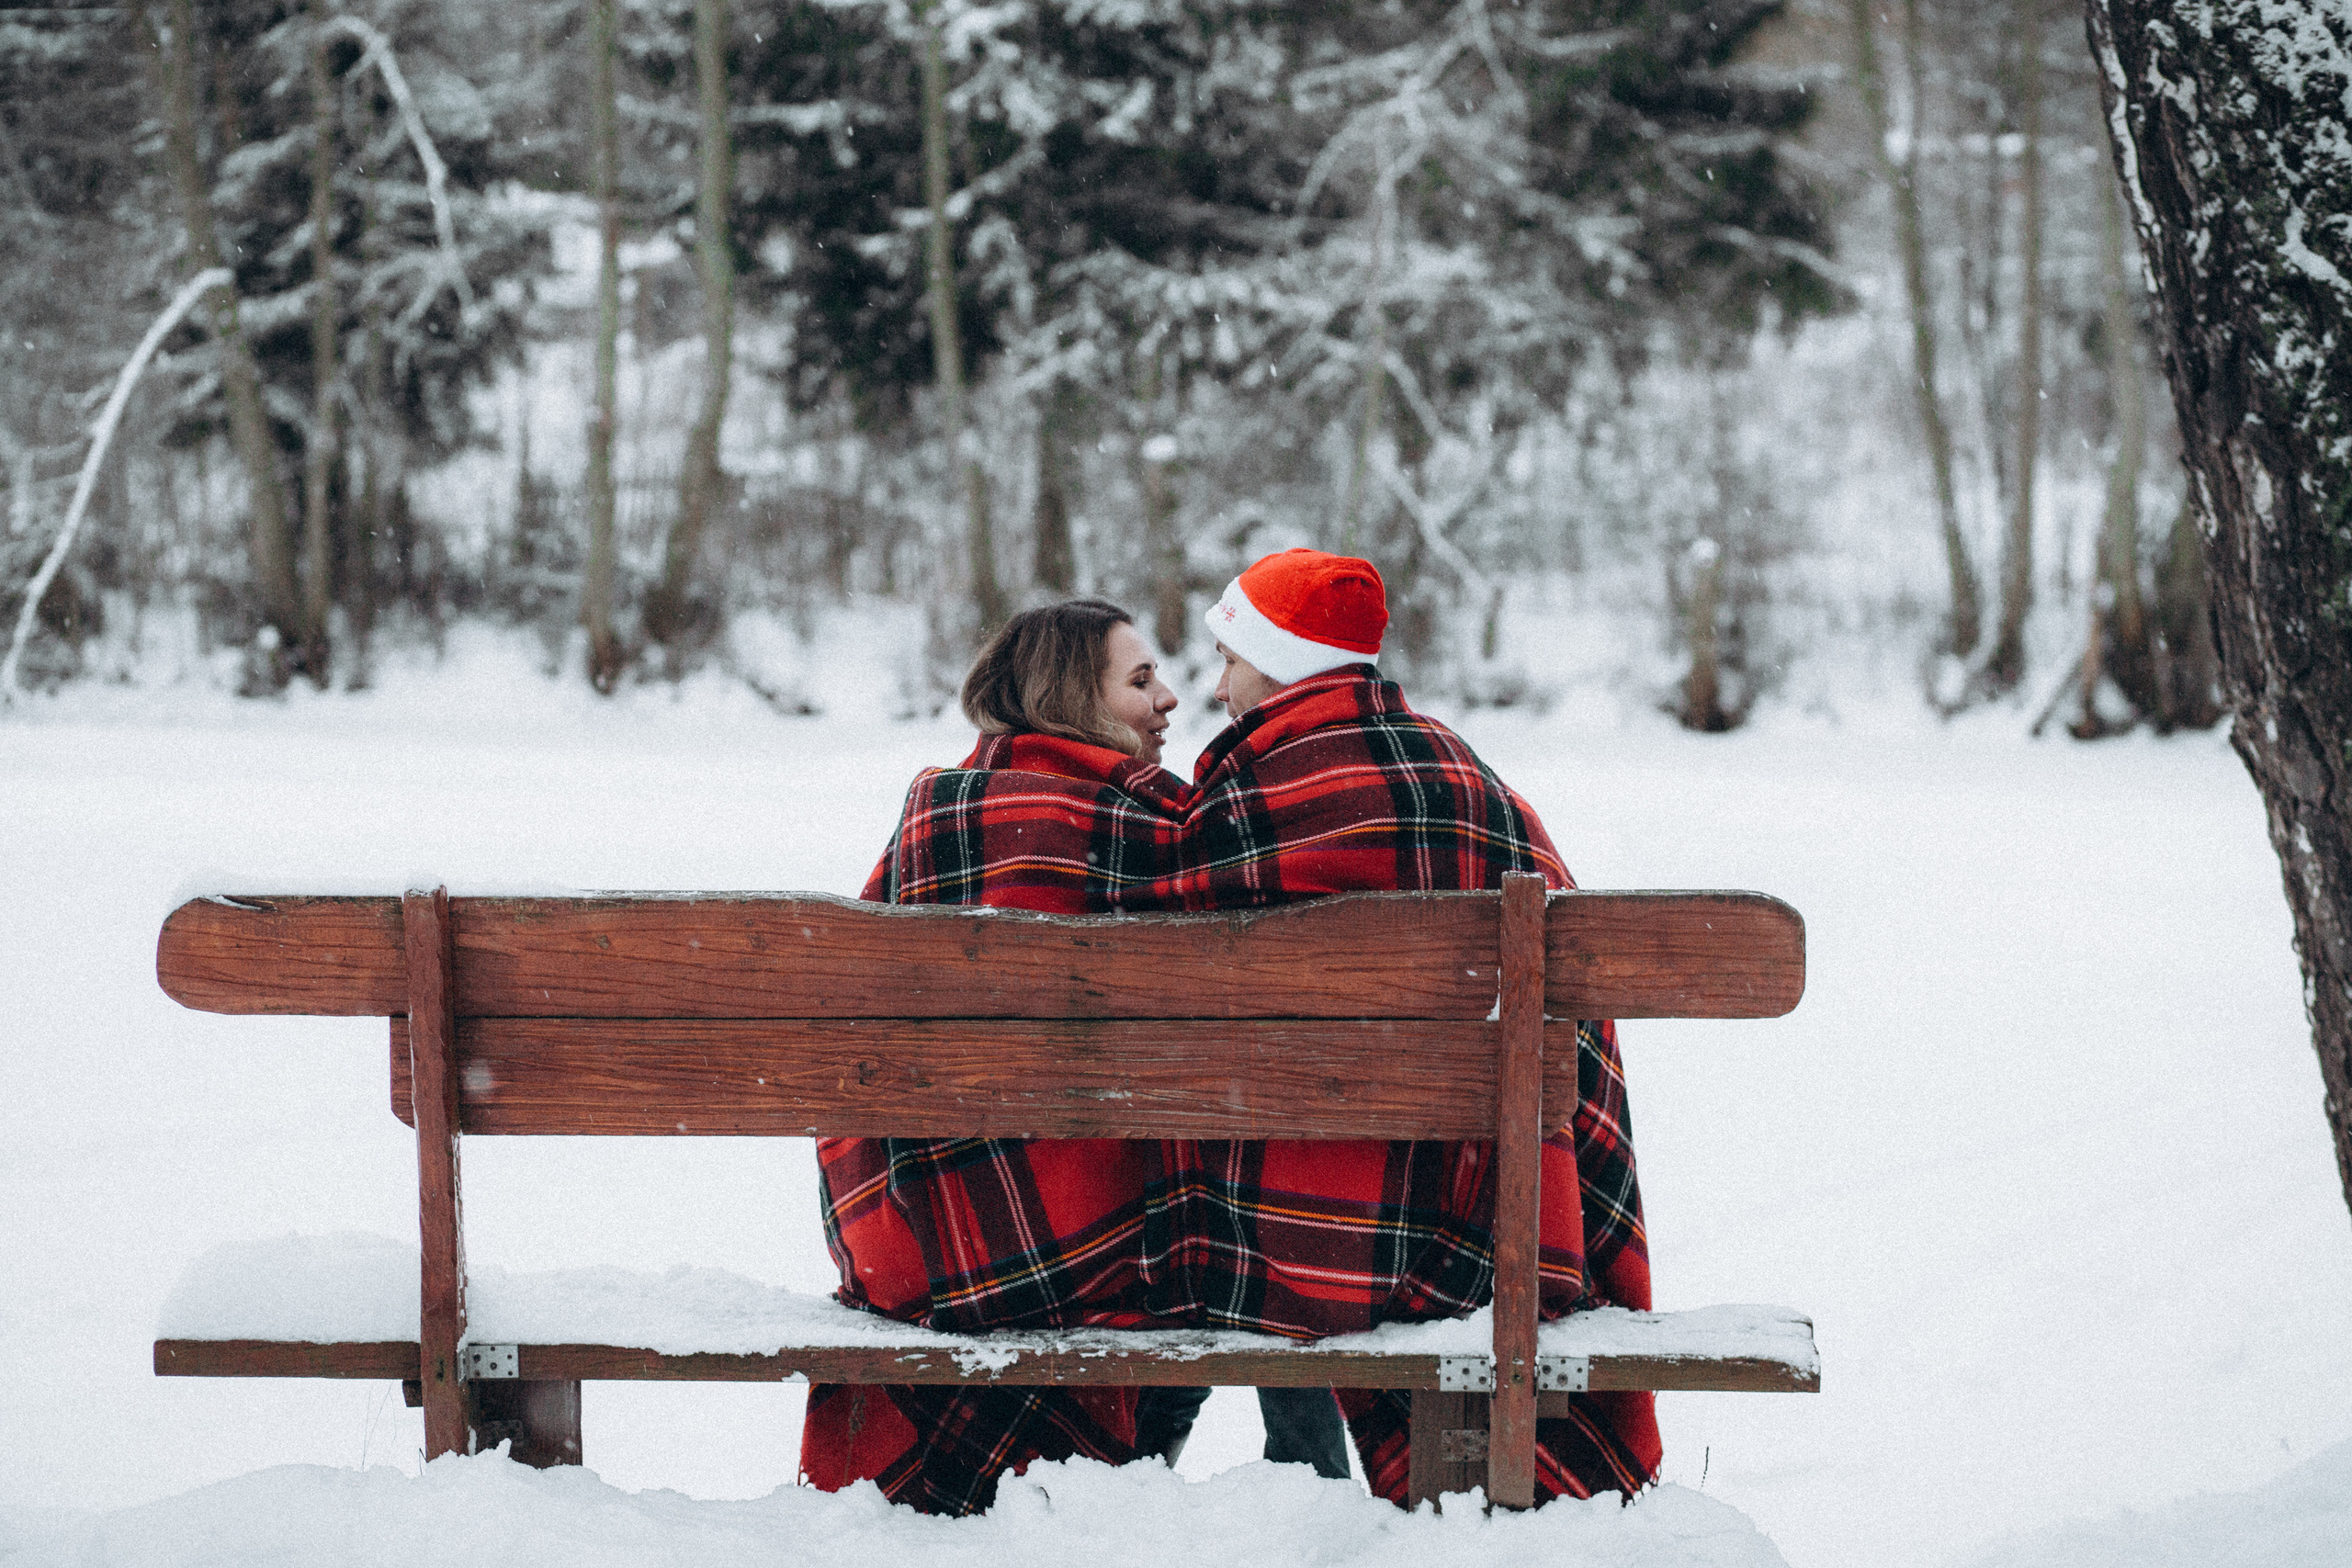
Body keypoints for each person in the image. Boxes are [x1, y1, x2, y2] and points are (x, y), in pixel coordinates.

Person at [1140, 547, 1662, 1506]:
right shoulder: (1470, 784)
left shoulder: (1237, 803)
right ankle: (1414, 1484)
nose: (1216, 687)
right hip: (1476, 1237)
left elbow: (1142, 960)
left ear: (1283, 663)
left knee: (1203, 1180)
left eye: (1232, 660)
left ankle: (1119, 1483)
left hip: (1277, 1232)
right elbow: (1575, 1018)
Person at [799, 599, 1189, 1515]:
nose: (1169, 698)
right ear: (1071, 699)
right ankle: (1105, 1502)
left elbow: (850, 1021)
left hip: (906, 1237)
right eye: (1140, 681)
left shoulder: (934, 811)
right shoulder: (1152, 823)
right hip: (1076, 1246)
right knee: (1198, 1232)